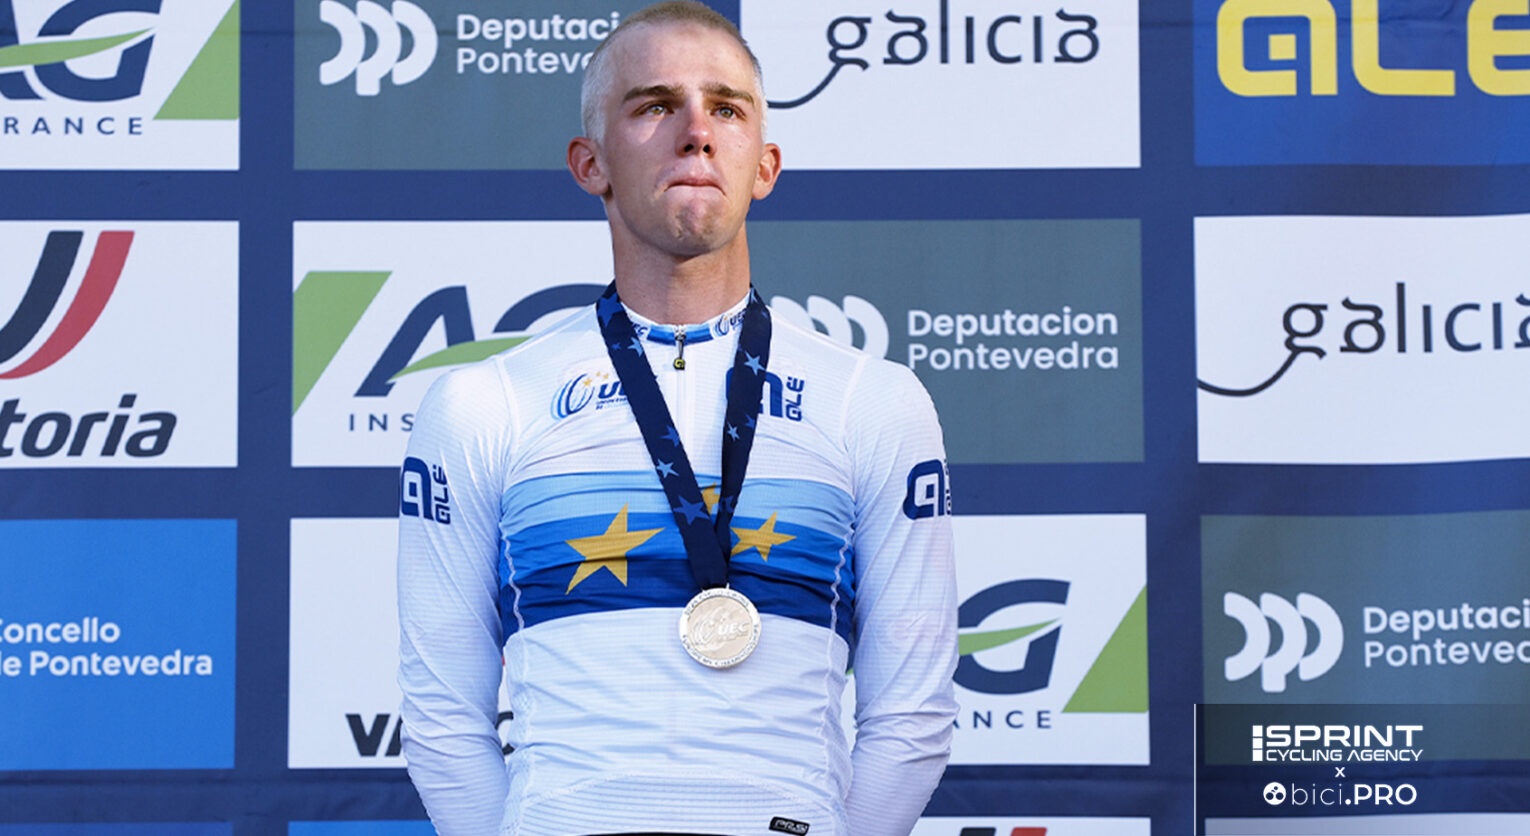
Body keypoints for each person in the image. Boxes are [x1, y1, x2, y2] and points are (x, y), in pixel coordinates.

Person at [396, 3, 957, 834]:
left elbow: (912, 719)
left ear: (765, 165)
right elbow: (442, 720)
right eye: (656, 105)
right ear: (590, 163)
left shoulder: (872, 400)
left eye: (726, 109)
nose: (696, 133)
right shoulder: (484, 403)